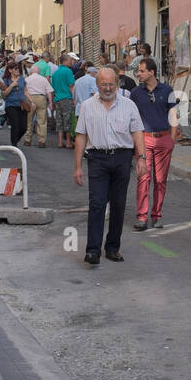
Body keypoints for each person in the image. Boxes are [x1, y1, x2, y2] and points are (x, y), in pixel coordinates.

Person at [73, 68, 149, 265]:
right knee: (97, 204)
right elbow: (81, 135)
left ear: (118, 84)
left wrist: (141, 158)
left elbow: (138, 132)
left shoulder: (129, 105)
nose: (107, 88)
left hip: (122, 158)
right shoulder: (88, 106)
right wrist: (78, 166)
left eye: (111, 84)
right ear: (97, 85)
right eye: (103, 85)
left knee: (118, 205)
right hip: (97, 158)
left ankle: (113, 248)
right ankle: (93, 251)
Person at [131, 56, 178, 230]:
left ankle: (157, 215)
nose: (138, 74)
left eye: (142, 71)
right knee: (143, 177)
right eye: (138, 71)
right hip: (144, 139)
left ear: (152, 72)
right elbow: (132, 118)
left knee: (161, 180)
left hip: (164, 138)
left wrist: (172, 140)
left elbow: (173, 115)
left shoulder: (167, 90)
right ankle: (142, 217)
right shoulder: (136, 93)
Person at [0, 60, 29, 146]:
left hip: (22, 105)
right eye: (15, 69)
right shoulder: (6, 80)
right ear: (10, 70)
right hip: (11, 105)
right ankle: (14, 144)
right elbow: (4, 94)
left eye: (18, 69)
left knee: (24, 127)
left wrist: (31, 101)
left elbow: (26, 91)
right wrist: (12, 85)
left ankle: (16, 140)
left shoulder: (22, 79)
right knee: (15, 125)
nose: (17, 71)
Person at [51, 54, 77, 149]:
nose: (71, 62)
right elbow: (71, 86)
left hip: (57, 98)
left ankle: (60, 142)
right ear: (65, 61)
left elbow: (53, 88)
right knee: (68, 120)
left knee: (59, 121)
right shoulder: (68, 71)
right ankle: (68, 142)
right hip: (67, 98)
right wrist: (74, 99)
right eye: (70, 60)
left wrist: (53, 101)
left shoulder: (55, 73)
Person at [24, 63, 53, 146]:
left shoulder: (27, 79)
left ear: (31, 72)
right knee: (42, 121)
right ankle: (41, 141)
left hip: (30, 99)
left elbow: (24, 91)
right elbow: (49, 92)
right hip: (41, 98)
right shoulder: (43, 79)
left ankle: (27, 140)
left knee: (29, 120)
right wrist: (50, 103)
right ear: (39, 72)